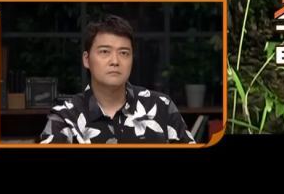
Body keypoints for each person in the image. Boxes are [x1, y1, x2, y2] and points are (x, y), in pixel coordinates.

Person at [39, 14, 197, 144]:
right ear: (86, 60)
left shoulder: (161, 107)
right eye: (104, 52)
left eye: (124, 53)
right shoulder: (65, 118)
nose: (115, 61)